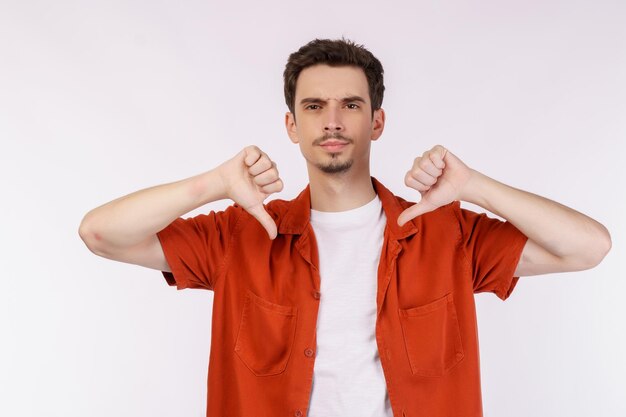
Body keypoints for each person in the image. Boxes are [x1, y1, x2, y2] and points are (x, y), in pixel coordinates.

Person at [79, 38, 611, 417]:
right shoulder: (239, 235)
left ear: (376, 121)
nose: (332, 121)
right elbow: (101, 233)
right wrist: (214, 184)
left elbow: (588, 247)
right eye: (314, 106)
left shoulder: (445, 234)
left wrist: (475, 187)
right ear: (292, 125)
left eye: (350, 105)